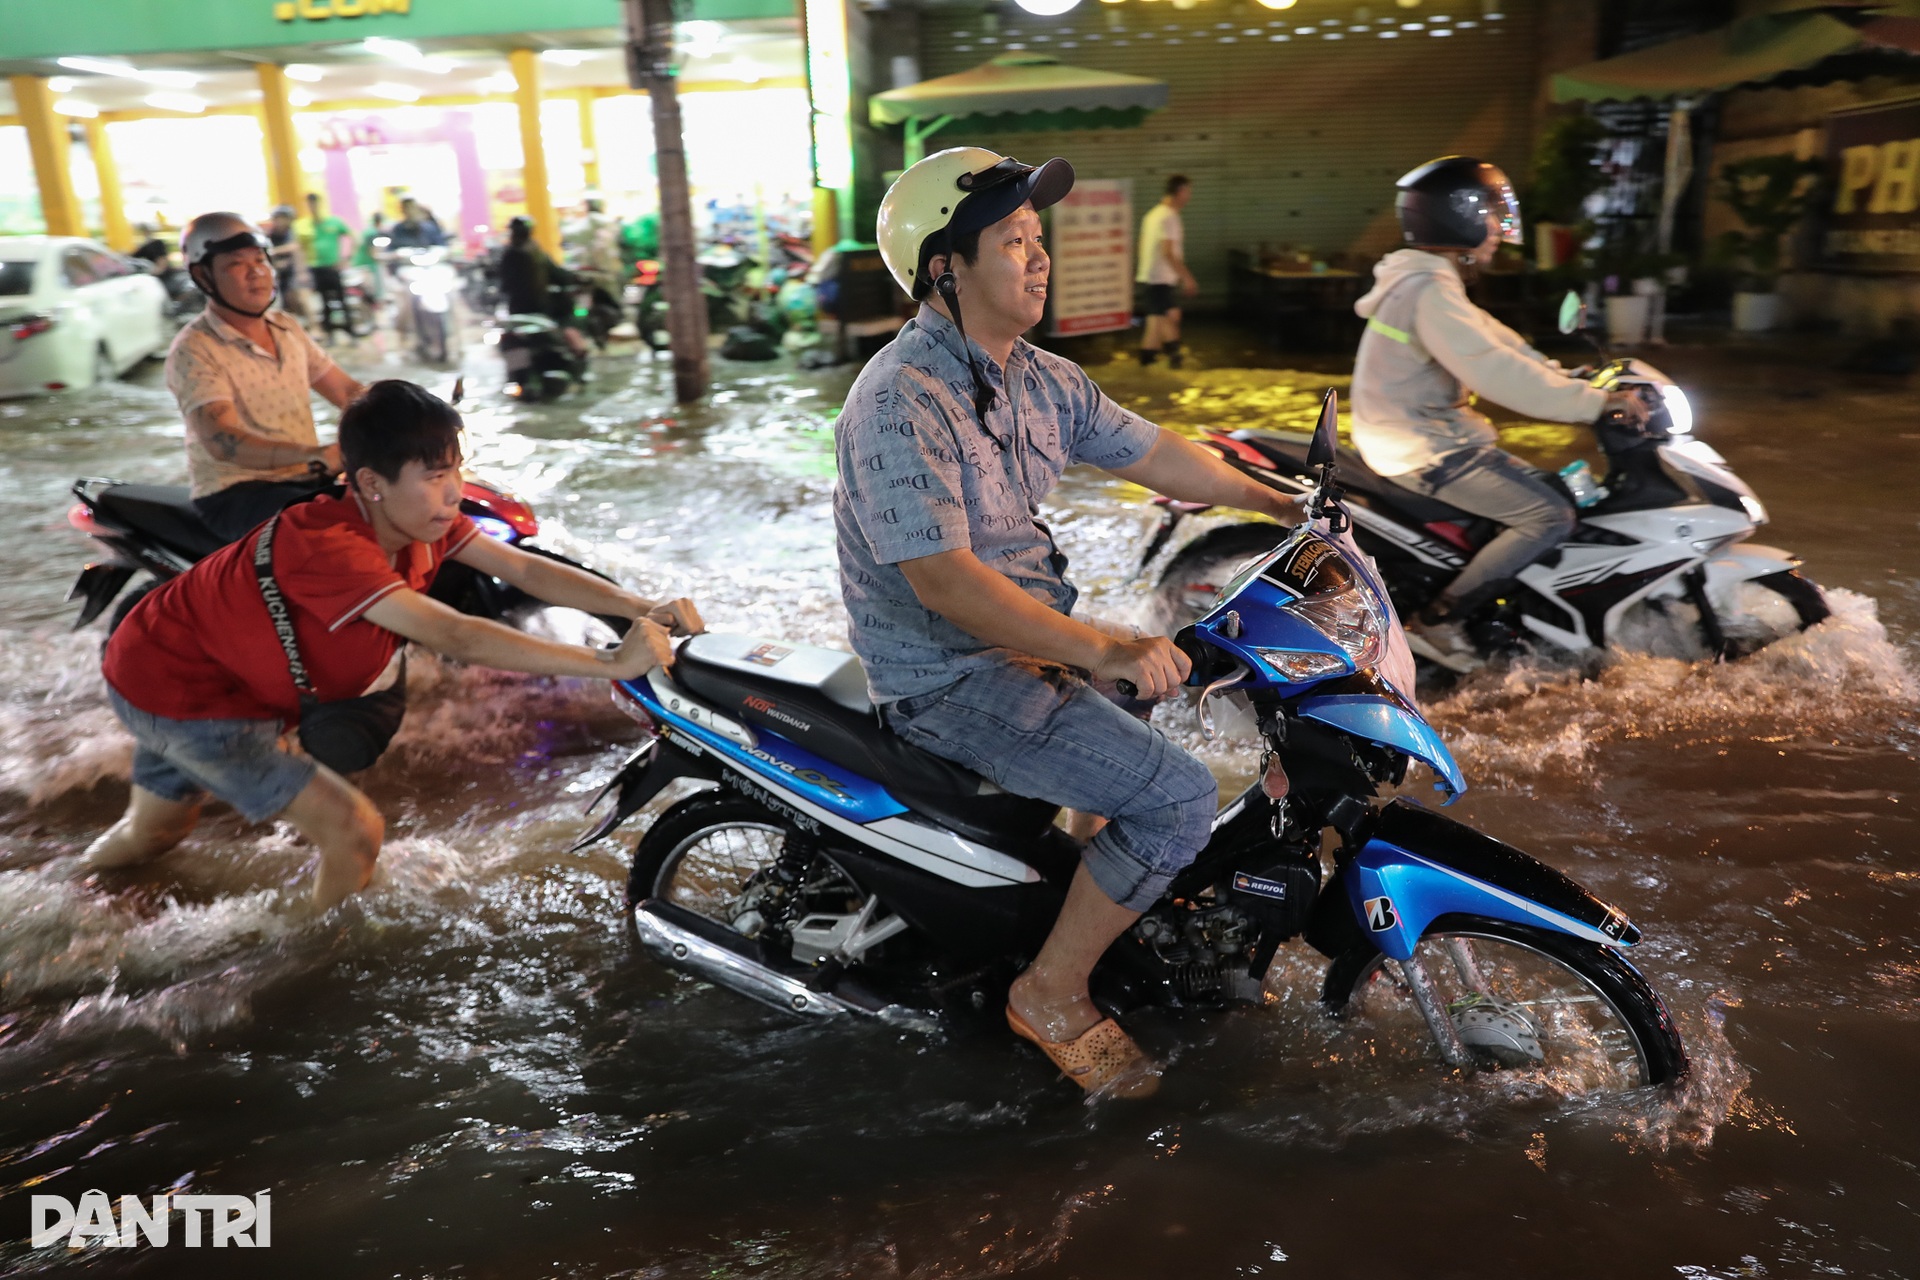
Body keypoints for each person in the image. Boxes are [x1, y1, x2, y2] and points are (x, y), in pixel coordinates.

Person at [841, 147, 1310, 1099]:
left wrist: (1279, 500)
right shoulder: (898, 399)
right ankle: (1050, 991)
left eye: (1037, 236)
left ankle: (1088, 887)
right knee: (1179, 798)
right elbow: (946, 583)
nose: (1039, 256)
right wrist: (1103, 648)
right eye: (1013, 240)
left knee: (1191, 666)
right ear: (945, 269)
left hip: (1025, 639)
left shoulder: (1037, 378)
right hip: (949, 675)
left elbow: (1156, 453)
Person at [85, 379, 703, 912]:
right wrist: (609, 662)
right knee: (354, 832)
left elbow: (524, 568)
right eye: (435, 477)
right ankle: (312, 964)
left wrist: (638, 607)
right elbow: (454, 632)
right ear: (372, 484)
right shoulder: (331, 548)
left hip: (167, 664)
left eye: (455, 470)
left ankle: (75, 888)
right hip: (182, 691)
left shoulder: (421, 524)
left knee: (154, 835)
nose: (454, 491)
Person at [1349, 155, 1647, 673]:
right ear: (1460, 218)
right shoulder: (1429, 291)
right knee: (1549, 514)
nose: (1499, 230)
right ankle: (1439, 620)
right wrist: (1595, 403)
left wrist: (1567, 375)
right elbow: (1496, 371)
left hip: (1420, 435)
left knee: (1557, 490)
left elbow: (1500, 345)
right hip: (1424, 448)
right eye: (1492, 216)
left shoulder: (1426, 283)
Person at [169, 211, 367, 543]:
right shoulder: (195, 348)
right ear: (203, 276)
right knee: (333, 539)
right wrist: (315, 456)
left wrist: (409, 410)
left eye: (260, 260)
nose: (256, 272)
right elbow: (222, 439)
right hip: (236, 494)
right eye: (237, 264)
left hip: (305, 481)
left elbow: (346, 391)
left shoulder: (286, 328)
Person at [498, 216, 590, 357]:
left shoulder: (508, 253)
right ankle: (577, 348)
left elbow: (503, 284)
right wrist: (575, 278)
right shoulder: (534, 251)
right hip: (540, 307)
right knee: (568, 317)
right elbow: (557, 274)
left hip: (516, 308)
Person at [1135, 174, 1197, 368]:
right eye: (1188, 191)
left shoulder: (1152, 215)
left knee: (1170, 316)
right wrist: (1187, 278)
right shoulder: (1170, 217)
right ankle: (1152, 365)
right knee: (1158, 323)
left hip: (1152, 277)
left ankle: (1170, 359)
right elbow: (1168, 252)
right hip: (1160, 278)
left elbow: (1141, 244)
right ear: (1180, 191)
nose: (1189, 196)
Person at [303, 192, 354, 344]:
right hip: (316, 268)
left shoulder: (334, 222)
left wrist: (346, 258)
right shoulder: (306, 225)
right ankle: (330, 334)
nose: (313, 206)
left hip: (333, 267)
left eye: (314, 203)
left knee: (342, 300)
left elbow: (352, 237)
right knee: (324, 303)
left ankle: (351, 332)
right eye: (310, 203)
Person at [263, 204, 306, 321]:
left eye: (282, 218)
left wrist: (274, 251)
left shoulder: (294, 232)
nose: (279, 221)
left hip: (296, 273)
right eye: (277, 218)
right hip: (280, 274)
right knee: (283, 303)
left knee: (300, 298)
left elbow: (295, 248)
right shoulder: (270, 235)